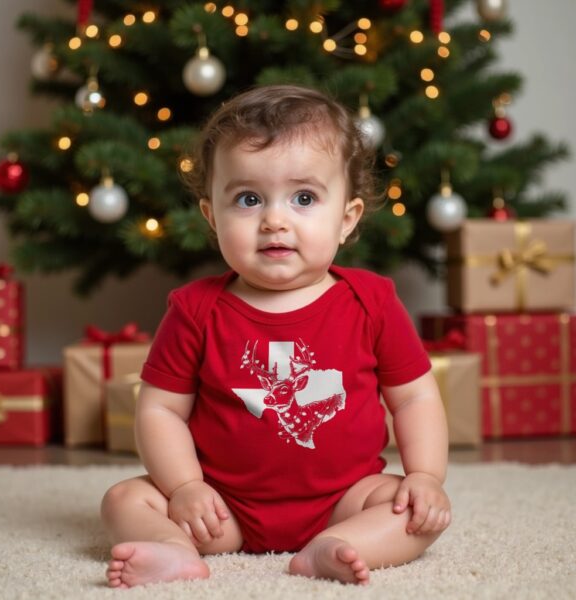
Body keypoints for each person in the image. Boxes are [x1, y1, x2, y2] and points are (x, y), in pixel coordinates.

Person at [101, 84, 451, 589]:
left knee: (415, 511)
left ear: (347, 219)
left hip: (344, 500)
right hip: (224, 509)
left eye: (304, 198)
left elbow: (415, 397)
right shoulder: (196, 309)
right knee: (124, 500)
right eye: (248, 199)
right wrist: (185, 488)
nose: (274, 221)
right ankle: (175, 551)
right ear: (211, 217)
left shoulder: (370, 301)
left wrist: (425, 476)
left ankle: (338, 545)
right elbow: (160, 410)